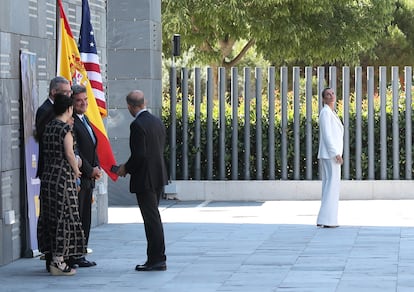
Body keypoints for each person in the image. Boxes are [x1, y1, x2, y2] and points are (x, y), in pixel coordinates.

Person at [117, 90, 168, 271]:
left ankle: (156, 259)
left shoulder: (137, 125)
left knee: (151, 219)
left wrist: (125, 168)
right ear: (144, 102)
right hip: (158, 176)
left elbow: (139, 155)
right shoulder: (156, 121)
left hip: (145, 178)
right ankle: (157, 257)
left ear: (130, 106)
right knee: (154, 218)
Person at [36, 93, 86, 276]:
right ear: (69, 109)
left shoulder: (48, 127)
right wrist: (76, 170)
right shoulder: (65, 129)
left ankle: (51, 257)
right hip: (62, 179)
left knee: (50, 216)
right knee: (65, 217)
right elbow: (69, 154)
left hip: (48, 177)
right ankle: (59, 261)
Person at [69, 84, 102, 268]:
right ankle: (75, 255)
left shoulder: (86, 119)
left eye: (85, 100)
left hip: (90, 178)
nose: (83, 103)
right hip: (80, 177)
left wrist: (97, 166)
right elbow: (77, 152)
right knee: (78, 217)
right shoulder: (72, 122)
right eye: (79, 100)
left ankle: (82, 252)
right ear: (72, 102)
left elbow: (92, 146)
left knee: (86, 218)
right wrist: (90, 170)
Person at [316, 87, 344, 228]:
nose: (331, 96)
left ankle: (324, 218)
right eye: (328, 94)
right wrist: (335, 153)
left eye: (333, 93)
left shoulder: (331, 112)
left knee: (329, 186)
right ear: (323, 98)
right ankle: (328, 220)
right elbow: (327, 135)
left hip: (329, 154)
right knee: (332, 186)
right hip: (330, 155)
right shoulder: (325, 112)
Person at [35, 76, 72, 178]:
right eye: (65, 92)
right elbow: (45, 137)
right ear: (54, 92)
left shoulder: (63, 109)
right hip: (51, 169)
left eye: (70, 92)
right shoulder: (45, 109)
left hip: (64, 168)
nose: (69, 96)